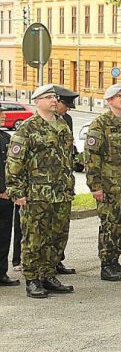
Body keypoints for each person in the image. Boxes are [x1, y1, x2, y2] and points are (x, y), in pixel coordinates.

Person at [6, 84, 75, 298]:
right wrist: (17, 191)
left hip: (61, 192)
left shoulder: (62, 124)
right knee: (34, 238)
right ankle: (32, 278)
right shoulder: (27, 128)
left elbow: (67, 158)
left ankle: (47, 274)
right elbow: (14, 161)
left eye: (54, 97)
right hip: (37, 194)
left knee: (57, 236)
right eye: (47, 97)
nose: (53, 100)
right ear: (37, 102)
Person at [84, 84, 121, 282]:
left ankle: (115, 260)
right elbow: (91, 156)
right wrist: (95, 186)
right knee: (110, 225)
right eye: (119, 96)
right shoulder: (100, 124)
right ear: (109, 101)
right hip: (110, 187)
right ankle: (106, 264)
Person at [54, 89, 80, 275]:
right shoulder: (41, 123)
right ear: (57, 102)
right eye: (66, 106)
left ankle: (57, 260)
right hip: (46, 183)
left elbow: (70, 147)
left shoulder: (67, 121)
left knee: (61, 227)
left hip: (65, 181)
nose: (67, 111)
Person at [0, 107, 20, 287]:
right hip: (2, 192)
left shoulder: (6, 138)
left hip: (6, 196)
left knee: (5, 235)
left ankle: (1, 273)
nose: (4, 115)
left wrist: (9, 189)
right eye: (0, 113)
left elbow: (11, 167)